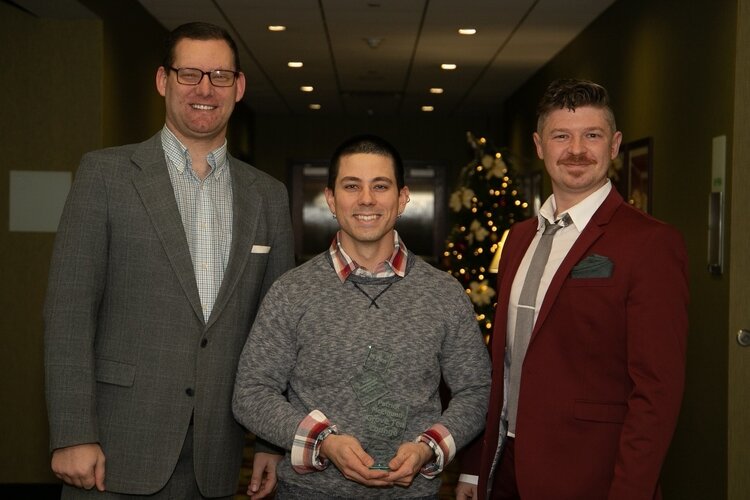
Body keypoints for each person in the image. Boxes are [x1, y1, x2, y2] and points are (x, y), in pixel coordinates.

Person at [43, 22, 294, 499]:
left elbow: (276, 335)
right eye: (189, 74)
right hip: (113, 447)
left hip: (217, 455)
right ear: (163, 81)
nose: (205, 88)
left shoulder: (268, 196)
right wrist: (74, 432)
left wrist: (270, 441)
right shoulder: (105, 175)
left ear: (238, 87)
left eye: (220, 75)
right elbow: (68, 314)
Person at [456, 79, 689, 500]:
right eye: (561, 136)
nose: (576, 150)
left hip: (591, 476)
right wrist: (475, 468)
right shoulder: (517, 239)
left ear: (615, 144)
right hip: (504, 467)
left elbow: (657, 392)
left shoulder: (651, 243)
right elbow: (501, 365)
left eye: (592, 136)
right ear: (540, 146)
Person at [232, 134, 492, 499]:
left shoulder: (444, 293)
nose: (366, 199)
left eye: (380, 186)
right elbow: (251, 392)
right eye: (351, 186)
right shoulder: (291, 291)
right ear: (331, 199)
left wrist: (429, 447)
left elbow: (476, 391)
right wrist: (323, 442)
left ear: (402, 198)